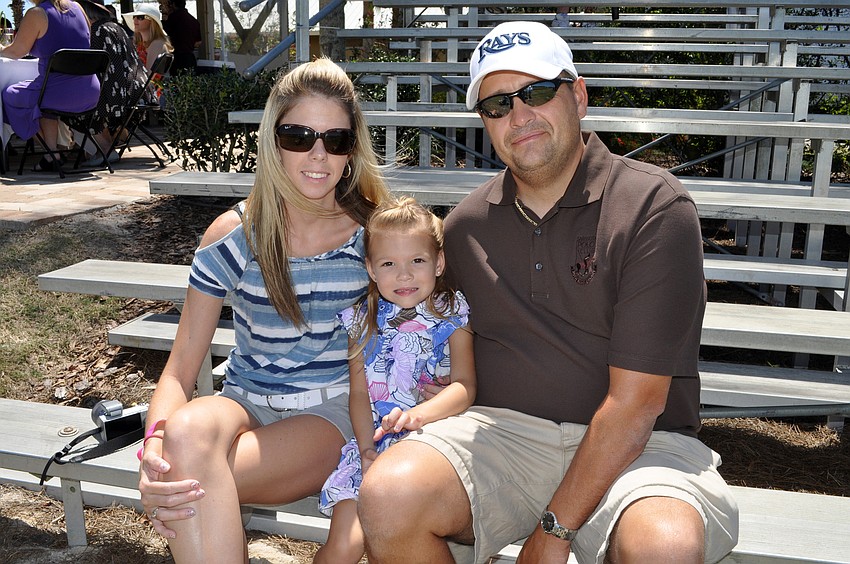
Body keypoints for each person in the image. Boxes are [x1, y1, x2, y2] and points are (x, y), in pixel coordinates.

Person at [358, 21, 739, 564]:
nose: (519, 116)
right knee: (391, 495)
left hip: (641, 448)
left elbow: (637, 406)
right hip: (503, 437)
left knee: (665, 545)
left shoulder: (654, 208)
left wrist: (551, 534)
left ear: (578, 95)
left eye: (536, 92)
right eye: (496, 105)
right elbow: (423, 317)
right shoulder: (465, 227)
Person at [136, 57, 390, 563]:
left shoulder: (375, 236)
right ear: (273, 140)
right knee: (181, 437)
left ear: (351, 150)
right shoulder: (234, 234)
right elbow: (183, 365)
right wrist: (152, 455)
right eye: (299, 136)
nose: (318, 155)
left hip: (331, 411)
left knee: (189, 484)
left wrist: (166, 479)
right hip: (246, 403)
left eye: (336, 140)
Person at [314, 197, 477, 564]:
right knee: (344, 545)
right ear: (371, 269)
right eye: (389, 264)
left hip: (430, 440)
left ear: (438, 263)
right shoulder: (361, 319)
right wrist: (365, 449)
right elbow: (358, 395)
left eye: (417, 261)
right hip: (372, 447)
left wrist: (419, 416)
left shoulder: (450, 313)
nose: (404, 275)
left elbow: (465, 387)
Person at [0, 0, 100, 171]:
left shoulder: (37, 13)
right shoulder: (78, 7)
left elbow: (17, 51)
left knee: (10, 95)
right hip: (90, 91)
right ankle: (50, 155)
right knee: (42, 99)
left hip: (58, 92)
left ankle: (51, 151)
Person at [67, 0, 154, 166]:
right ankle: (105, 145)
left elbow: (90, 66)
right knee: (88, 97)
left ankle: (105, 149)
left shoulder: (97, 31)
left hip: (121, 95)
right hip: (137, 91)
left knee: (76, 104)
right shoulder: (115, 27)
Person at [122, 2, 170, 73]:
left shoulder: (157, 44)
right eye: (134, 17)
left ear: (152, 21)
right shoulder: (138, 43)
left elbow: (149, 77)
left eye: (140, 17)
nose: (135, 20)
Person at [158, 0, 199, 74]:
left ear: (173, 5)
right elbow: (198, 42)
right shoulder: (194, 21)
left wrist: (164, 17)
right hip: (190, 58)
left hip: (177, 58)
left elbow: (163, 35)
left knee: (177, 82)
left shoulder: (172, 19)